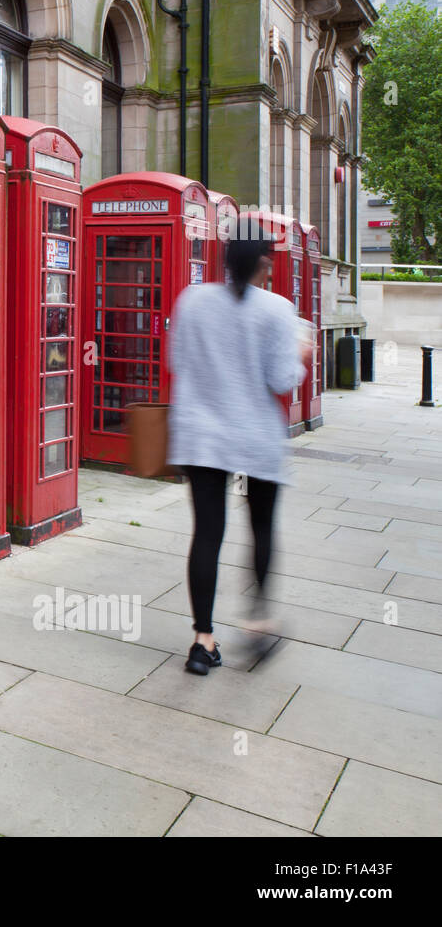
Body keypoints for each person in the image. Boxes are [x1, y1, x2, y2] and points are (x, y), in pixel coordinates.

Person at [167, 228, 313, 675]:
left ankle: (202, 641)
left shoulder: (191, 300)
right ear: (260, 266)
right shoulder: (278, 310)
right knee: (263, 528)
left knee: (207, 535)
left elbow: (176, 361)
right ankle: (259, 624)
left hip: (201, 436)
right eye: (268, 261)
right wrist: (303, 351)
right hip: (253, 437)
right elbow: (281, 380)